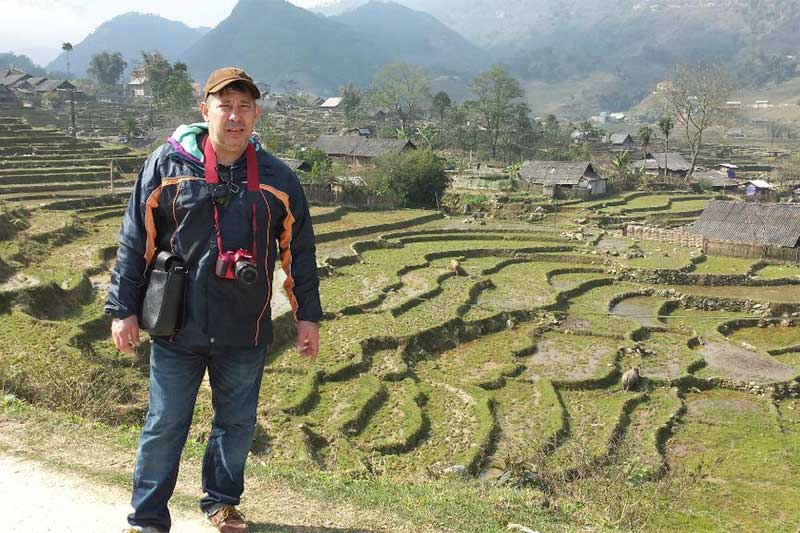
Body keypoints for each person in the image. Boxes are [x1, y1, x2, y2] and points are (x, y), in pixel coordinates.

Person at [106, 67, 322, 533]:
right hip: (176, 324)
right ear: (206, 112)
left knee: (237, 425)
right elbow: (133, 242)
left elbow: (299, 253)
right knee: (165, 424)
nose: (235, 116)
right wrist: (122, 309)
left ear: (256, 114)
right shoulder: (167, 165)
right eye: (226, 105)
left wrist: (308, 319)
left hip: (245, 327)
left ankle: (221, 504)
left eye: (245, 106)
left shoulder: (277, 178)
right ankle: (146, 518)